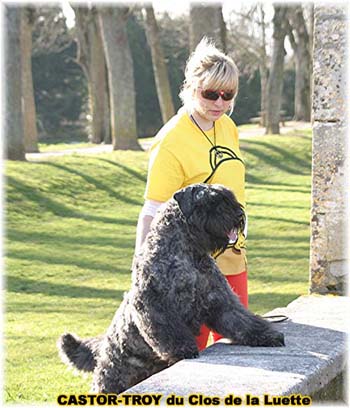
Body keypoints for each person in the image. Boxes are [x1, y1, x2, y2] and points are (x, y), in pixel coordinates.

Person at [134, 37, 248, 351]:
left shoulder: (227, 127)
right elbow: (152, 208)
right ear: (191, 86)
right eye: (211, 94)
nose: (220, 104)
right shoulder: (171, 140)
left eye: (228, 95)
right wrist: (141, 267)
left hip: (232, 259)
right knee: (188, 363)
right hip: (186, 272)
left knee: (240, 353)